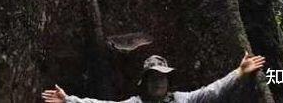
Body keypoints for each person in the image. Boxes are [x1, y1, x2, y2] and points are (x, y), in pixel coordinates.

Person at [41, 51, 266, 102]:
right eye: (153, 78)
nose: (159, 82)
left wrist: (239, 72)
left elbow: (213, 91)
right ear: (145, 82)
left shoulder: (182, 99)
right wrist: (68, 100)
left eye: (162, 77)